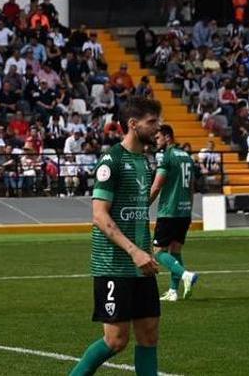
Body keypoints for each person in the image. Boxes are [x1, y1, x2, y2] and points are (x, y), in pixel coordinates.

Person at [69, 97, 163, 376]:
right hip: (114, 265)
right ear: (133, 125)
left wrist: (145, 249)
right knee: (116, 340)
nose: (157, 128)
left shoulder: (144, 161)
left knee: (149, 335)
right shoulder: (112, 160)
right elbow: (99, 214)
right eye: (152, 122)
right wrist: (134, 251)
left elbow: (137, 207)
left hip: (142, 266)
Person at [148, 125, 200, 302]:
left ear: (167, 137)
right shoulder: (187, 156)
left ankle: (185, 274)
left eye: (158, 137)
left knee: (158, 252)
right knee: (175, 251)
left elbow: (156, 186)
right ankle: (173, 290)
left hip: (169, 211)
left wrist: (144, 205)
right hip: (184, 211)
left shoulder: (167, 156)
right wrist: (190, 210)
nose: (156, 141)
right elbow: (192, 186)